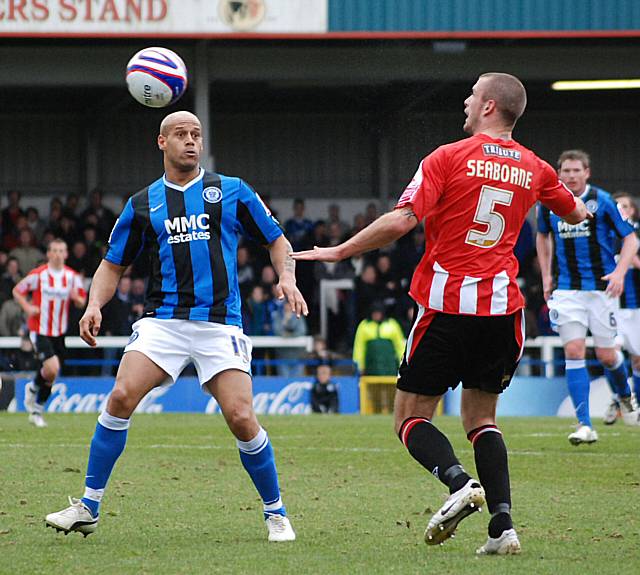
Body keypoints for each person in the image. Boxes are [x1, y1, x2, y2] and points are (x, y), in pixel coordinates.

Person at [294, 73, 589, 555]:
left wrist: (342, 251)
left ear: (490, 107)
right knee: (482, 419)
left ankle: (458, 483)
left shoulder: (448, 156)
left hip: (448, 306)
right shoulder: (535, 167)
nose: (466, 102)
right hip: (504, 311)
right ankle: (503, 527)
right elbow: (574, 213)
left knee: (409, 418)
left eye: (473, 95)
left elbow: (403, 219)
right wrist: (581, 208)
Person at [44, 111, 307, 542]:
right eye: (181, 135)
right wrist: (94, 304)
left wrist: (287, 277)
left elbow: (278, 240)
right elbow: (113, 263)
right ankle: (88, 506)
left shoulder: (232, 190)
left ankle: (275, 512)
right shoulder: (143, 203)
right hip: (163, 321)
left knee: (241, 416)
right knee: (121, 396)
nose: (191, 141)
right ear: (161, 142)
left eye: (196, 135)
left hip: (220, 323)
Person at [536, 150, 639, 442]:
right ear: (559, 173)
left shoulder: (603, 200)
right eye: (565, 171)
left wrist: (620, 272)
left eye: (575, 170)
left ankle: (624, 395)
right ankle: (584, 424)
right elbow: (542, 236)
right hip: (567, 290)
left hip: (601, 290)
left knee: (607, 356)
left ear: (587, 173)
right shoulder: (548, 204)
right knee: (573, 351)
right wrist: (546, 274)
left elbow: (631, 238)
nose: (570, 175)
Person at [12, 238, 87, 427]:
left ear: (66, 254)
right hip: (40, 329)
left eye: (61, 251)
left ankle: (36, 402)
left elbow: (81, 301)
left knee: (51, 373)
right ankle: (36, 403)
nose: (58, 254)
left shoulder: (71, 277)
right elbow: (17, 291)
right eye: (54, 250)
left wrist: (75, 298)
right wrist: (28, 308)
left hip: (60, 332)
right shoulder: (39, 275)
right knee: (52, 368)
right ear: (48, 254)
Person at [603, 192, 640, 425]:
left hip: (635, 308)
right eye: (618, 206)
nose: (622, 209)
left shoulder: (634, 237)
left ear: (633, 210)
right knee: (610, 354)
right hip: (611, 307)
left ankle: (628, 404)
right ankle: (620, 396)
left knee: (637, 361)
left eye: (625, 206)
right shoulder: (605, 235)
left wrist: (632, 260)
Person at [352, 301, 405, 376]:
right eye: (374, 313)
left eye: (378, 313)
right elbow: (359, 348)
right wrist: (359, 367)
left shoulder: (392, 324)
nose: (376, 315)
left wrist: (403, 365)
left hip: (390, 370)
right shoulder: (363, 325)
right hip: (370, 370)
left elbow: (400, 347)